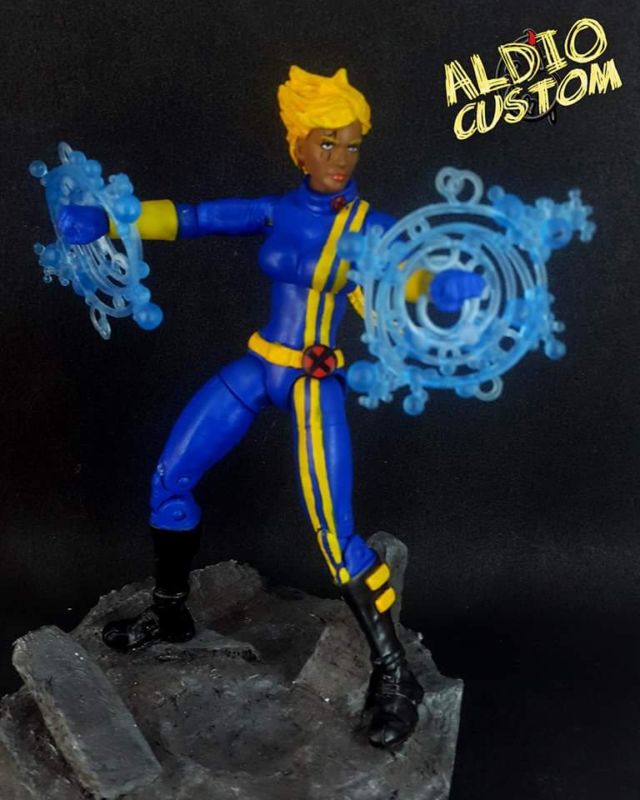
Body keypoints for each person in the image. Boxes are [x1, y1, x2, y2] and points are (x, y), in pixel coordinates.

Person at [59, 65, 482, 748]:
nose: (340, 159)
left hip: (313, 380)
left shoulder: (369, 228)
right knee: (170, 478)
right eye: (327, 143)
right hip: (260, 365)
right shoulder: (277, 210)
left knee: (335, 538)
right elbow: (192, 218)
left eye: (351, 145)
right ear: (299, 145)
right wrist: (108, 220)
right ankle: (171, 613)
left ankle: (395, 674)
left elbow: (409, 271)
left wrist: (442, 286)